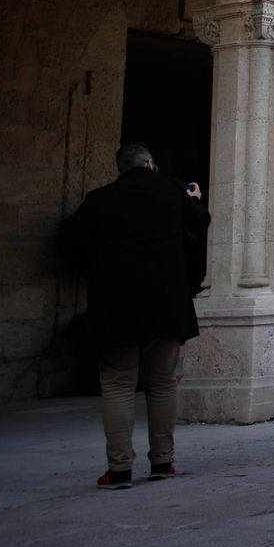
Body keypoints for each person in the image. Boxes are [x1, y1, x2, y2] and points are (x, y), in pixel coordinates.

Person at [60, 142, 210, 489]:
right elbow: (200, 223)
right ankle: (162, 461)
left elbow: (69, 242)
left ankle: (119, 469)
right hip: (166, 301)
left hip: (116, 303)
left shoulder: (101, 198)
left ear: (121, 168)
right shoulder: (172, 190)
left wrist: (99, 270)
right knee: (161, 383)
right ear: (150, 163)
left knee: (116, 384)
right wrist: (193, 199)